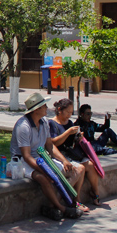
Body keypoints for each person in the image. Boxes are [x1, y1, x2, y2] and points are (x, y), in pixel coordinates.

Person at [11, 92, 85, 221]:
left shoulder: (44, 122)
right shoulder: (23, 126)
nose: (47, 107)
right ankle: (62, 208)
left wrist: (64, 161)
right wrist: (46, 171)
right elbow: (27, 156)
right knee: (43, 178)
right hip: (23, 161)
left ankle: (52, 206)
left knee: (75, 171)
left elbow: (49, 146)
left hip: (42, 158)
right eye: (44, 105)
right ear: (37, 109)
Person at [48, 98, 101, 205]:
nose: (69, 115)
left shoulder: (70, 123)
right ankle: (76, 200)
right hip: (61, 155)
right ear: (59, 110)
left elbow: (72, 142)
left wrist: (78, 137)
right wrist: (68, 132)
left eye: (71, 113)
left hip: (73, 153)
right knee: (79, 169)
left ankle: (95, 192)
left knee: (91, 165)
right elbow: (54, 143)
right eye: (67, 112)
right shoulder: (52, 123)